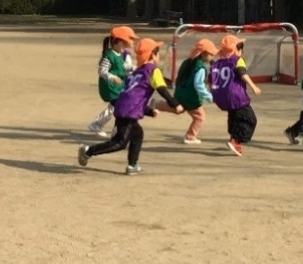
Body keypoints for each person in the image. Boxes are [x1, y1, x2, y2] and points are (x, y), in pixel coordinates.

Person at [77, 38, 183, 175]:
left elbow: (133, 97)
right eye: (158, 54)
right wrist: (175, 104)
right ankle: (87, 151)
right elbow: (162, 89)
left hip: (123, 108)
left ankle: (132, 165)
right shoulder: (153, 71)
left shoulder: (137, 72)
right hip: (127, 112)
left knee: (137, 135)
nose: (158, 57)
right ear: (152, 55)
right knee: (119, 143)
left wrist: (149, 111)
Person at [210, 35, 261, 156]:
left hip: (222, 97)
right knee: (250, 119)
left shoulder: (217, 64)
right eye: (240, 47)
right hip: (236, 96)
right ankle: (236, 140)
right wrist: (253, 86)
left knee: (234, 116)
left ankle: (232, 138)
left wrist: (212, 93)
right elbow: (242, 73)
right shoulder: (238, 60)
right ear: (236, 49)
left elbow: (211, 80)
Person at [87, 25, 138, 137]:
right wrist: (112, 77)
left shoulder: (119, 54)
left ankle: (100, 125)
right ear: (118, 42)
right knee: (120, 107)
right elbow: (102, 71)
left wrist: (134, 68)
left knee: (116, 107)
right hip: (110, 87)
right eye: (124, 45)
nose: (125, 48)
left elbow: (123, 66)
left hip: (118, 86)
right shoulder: (109, 55)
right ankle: (114, 130)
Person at [172, 38, 218, 144]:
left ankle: (158, 105)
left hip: (180, 93)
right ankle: (190, 136)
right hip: (191, 97)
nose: (212, 57)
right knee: (200, 117)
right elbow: (198, 85)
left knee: (176, 108)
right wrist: (208, 96)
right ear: (204, 54)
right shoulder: (200, 68)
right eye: (211, 54)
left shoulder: (187, 62)